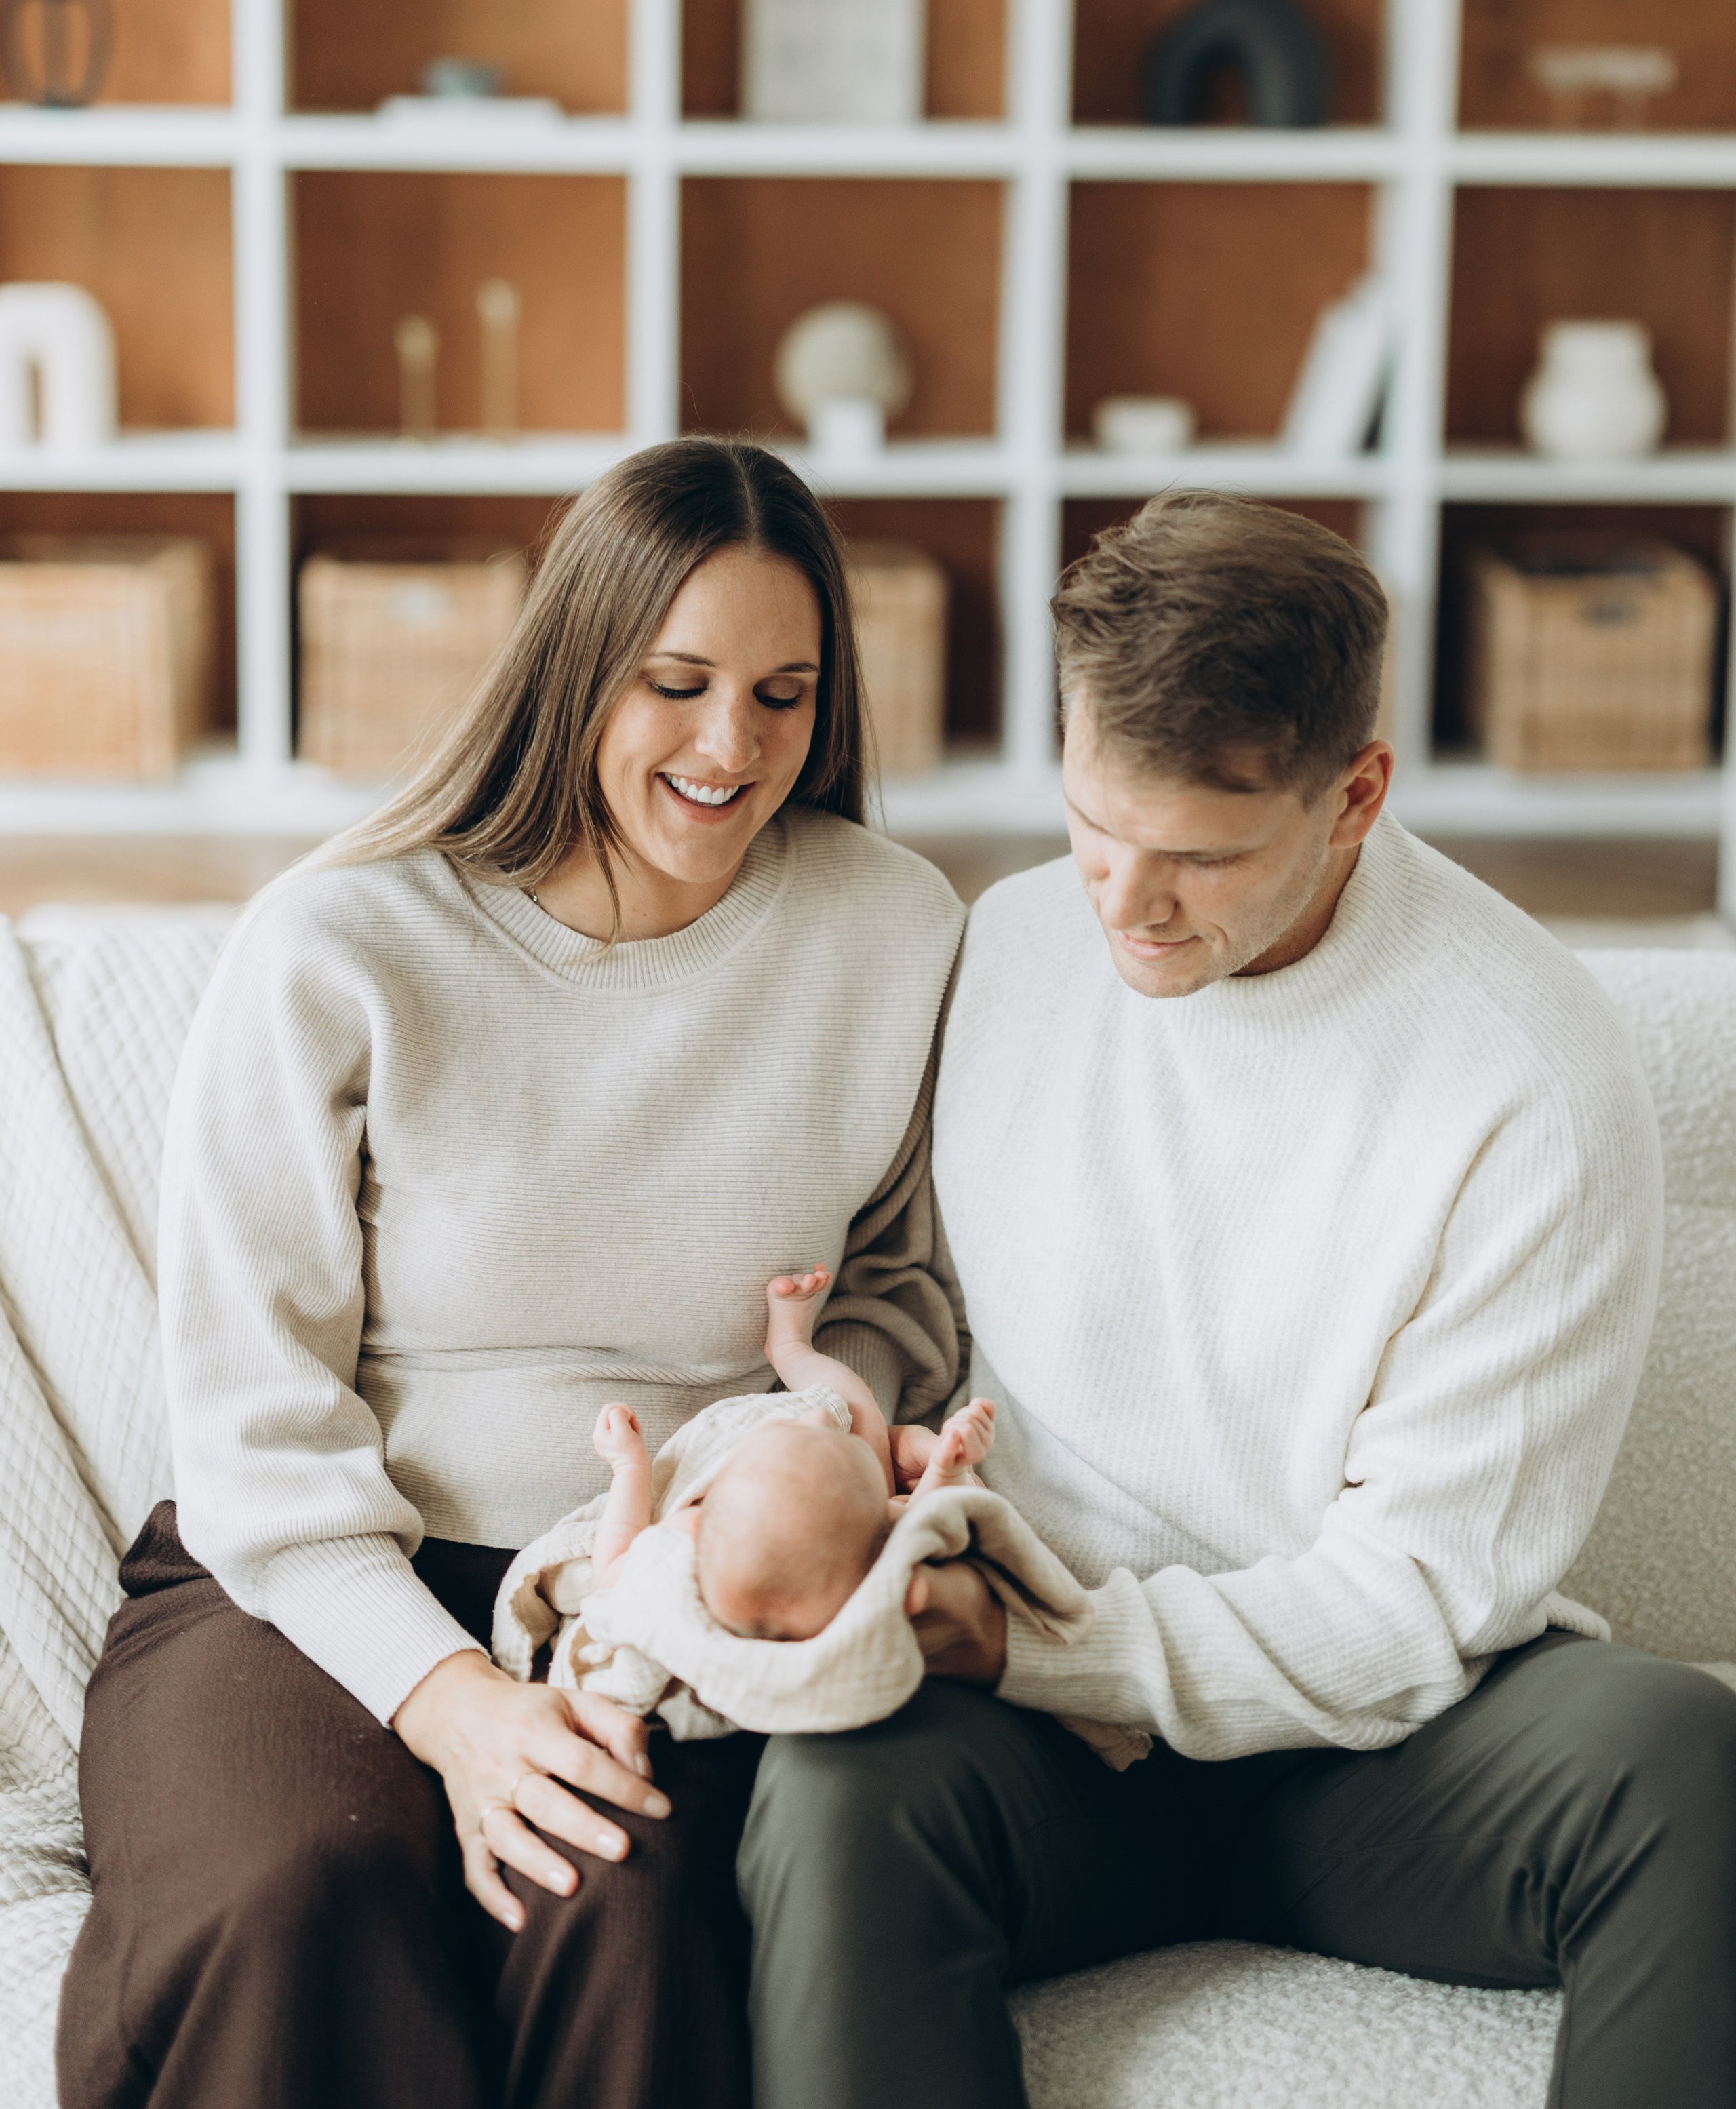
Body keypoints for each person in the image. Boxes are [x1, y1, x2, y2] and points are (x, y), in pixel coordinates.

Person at [741, 492, 1736, 2109]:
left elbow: (1420, 1588)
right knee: (835, 1788)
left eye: (1200, 856)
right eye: (1087, 826)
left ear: (1353, 795)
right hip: (1042, 1724)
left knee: (1682, 1763)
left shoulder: (1525, 1077)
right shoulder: (1008, 945)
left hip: (1381, 1747)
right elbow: (908, 1299)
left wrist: (1052, 1646)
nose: (1123, 906)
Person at [58, 438, 966, 2109]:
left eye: (783, 693)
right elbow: (251, 1416)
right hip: (309, 1575)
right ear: (572, 671)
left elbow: (899, 1281)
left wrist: (799, 1457)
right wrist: (455, 1700)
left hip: (660, 1601)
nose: (731, 748)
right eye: (675, 683)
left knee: (625, 1894)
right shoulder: (344, 941)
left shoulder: (893, 928)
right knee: (298, 1887)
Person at [587, 1267, 996, 1638]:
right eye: (841, 1440)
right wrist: (946, 1469)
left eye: (792, 1428)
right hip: (868, 1523)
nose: (816, 1414)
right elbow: (918, 1528)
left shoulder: (686, 1540)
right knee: (854, 1404)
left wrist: (629, 1467)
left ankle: (789, 1348)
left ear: (702, 1520)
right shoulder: (868, 1553)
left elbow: (610, 1569)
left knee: (847, 1409)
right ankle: (790, 1348)